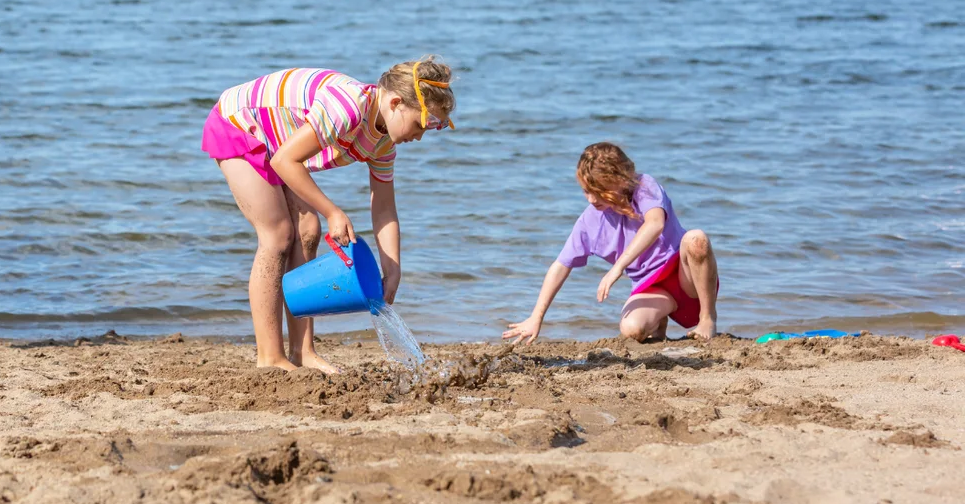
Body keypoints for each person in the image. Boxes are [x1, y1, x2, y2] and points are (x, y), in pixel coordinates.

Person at [202, 59, 455, 373]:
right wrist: (334, 212)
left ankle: (302, 351)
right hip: (239, 124)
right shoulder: (348, 107)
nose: (420, 136)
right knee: (278, 234)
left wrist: (392, 266)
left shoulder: (384, 144)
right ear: (395, 103)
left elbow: (384, 207)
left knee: (308, 229)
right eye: (422, 124)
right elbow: (285, 160)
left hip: (279, 143)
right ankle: (270, 357)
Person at [504, 142, 720, 345]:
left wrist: (618, 267)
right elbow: (561, 266)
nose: (591, 198)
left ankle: (707, 318)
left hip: (686, 276)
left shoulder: (644, 186)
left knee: (696, 239)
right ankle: (659, 322)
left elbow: (655, 225)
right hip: (652, 287)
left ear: (621, 179)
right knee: (631, 330)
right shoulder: (589, 222)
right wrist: (536, 317)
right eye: (586, 190)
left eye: (598, 190)